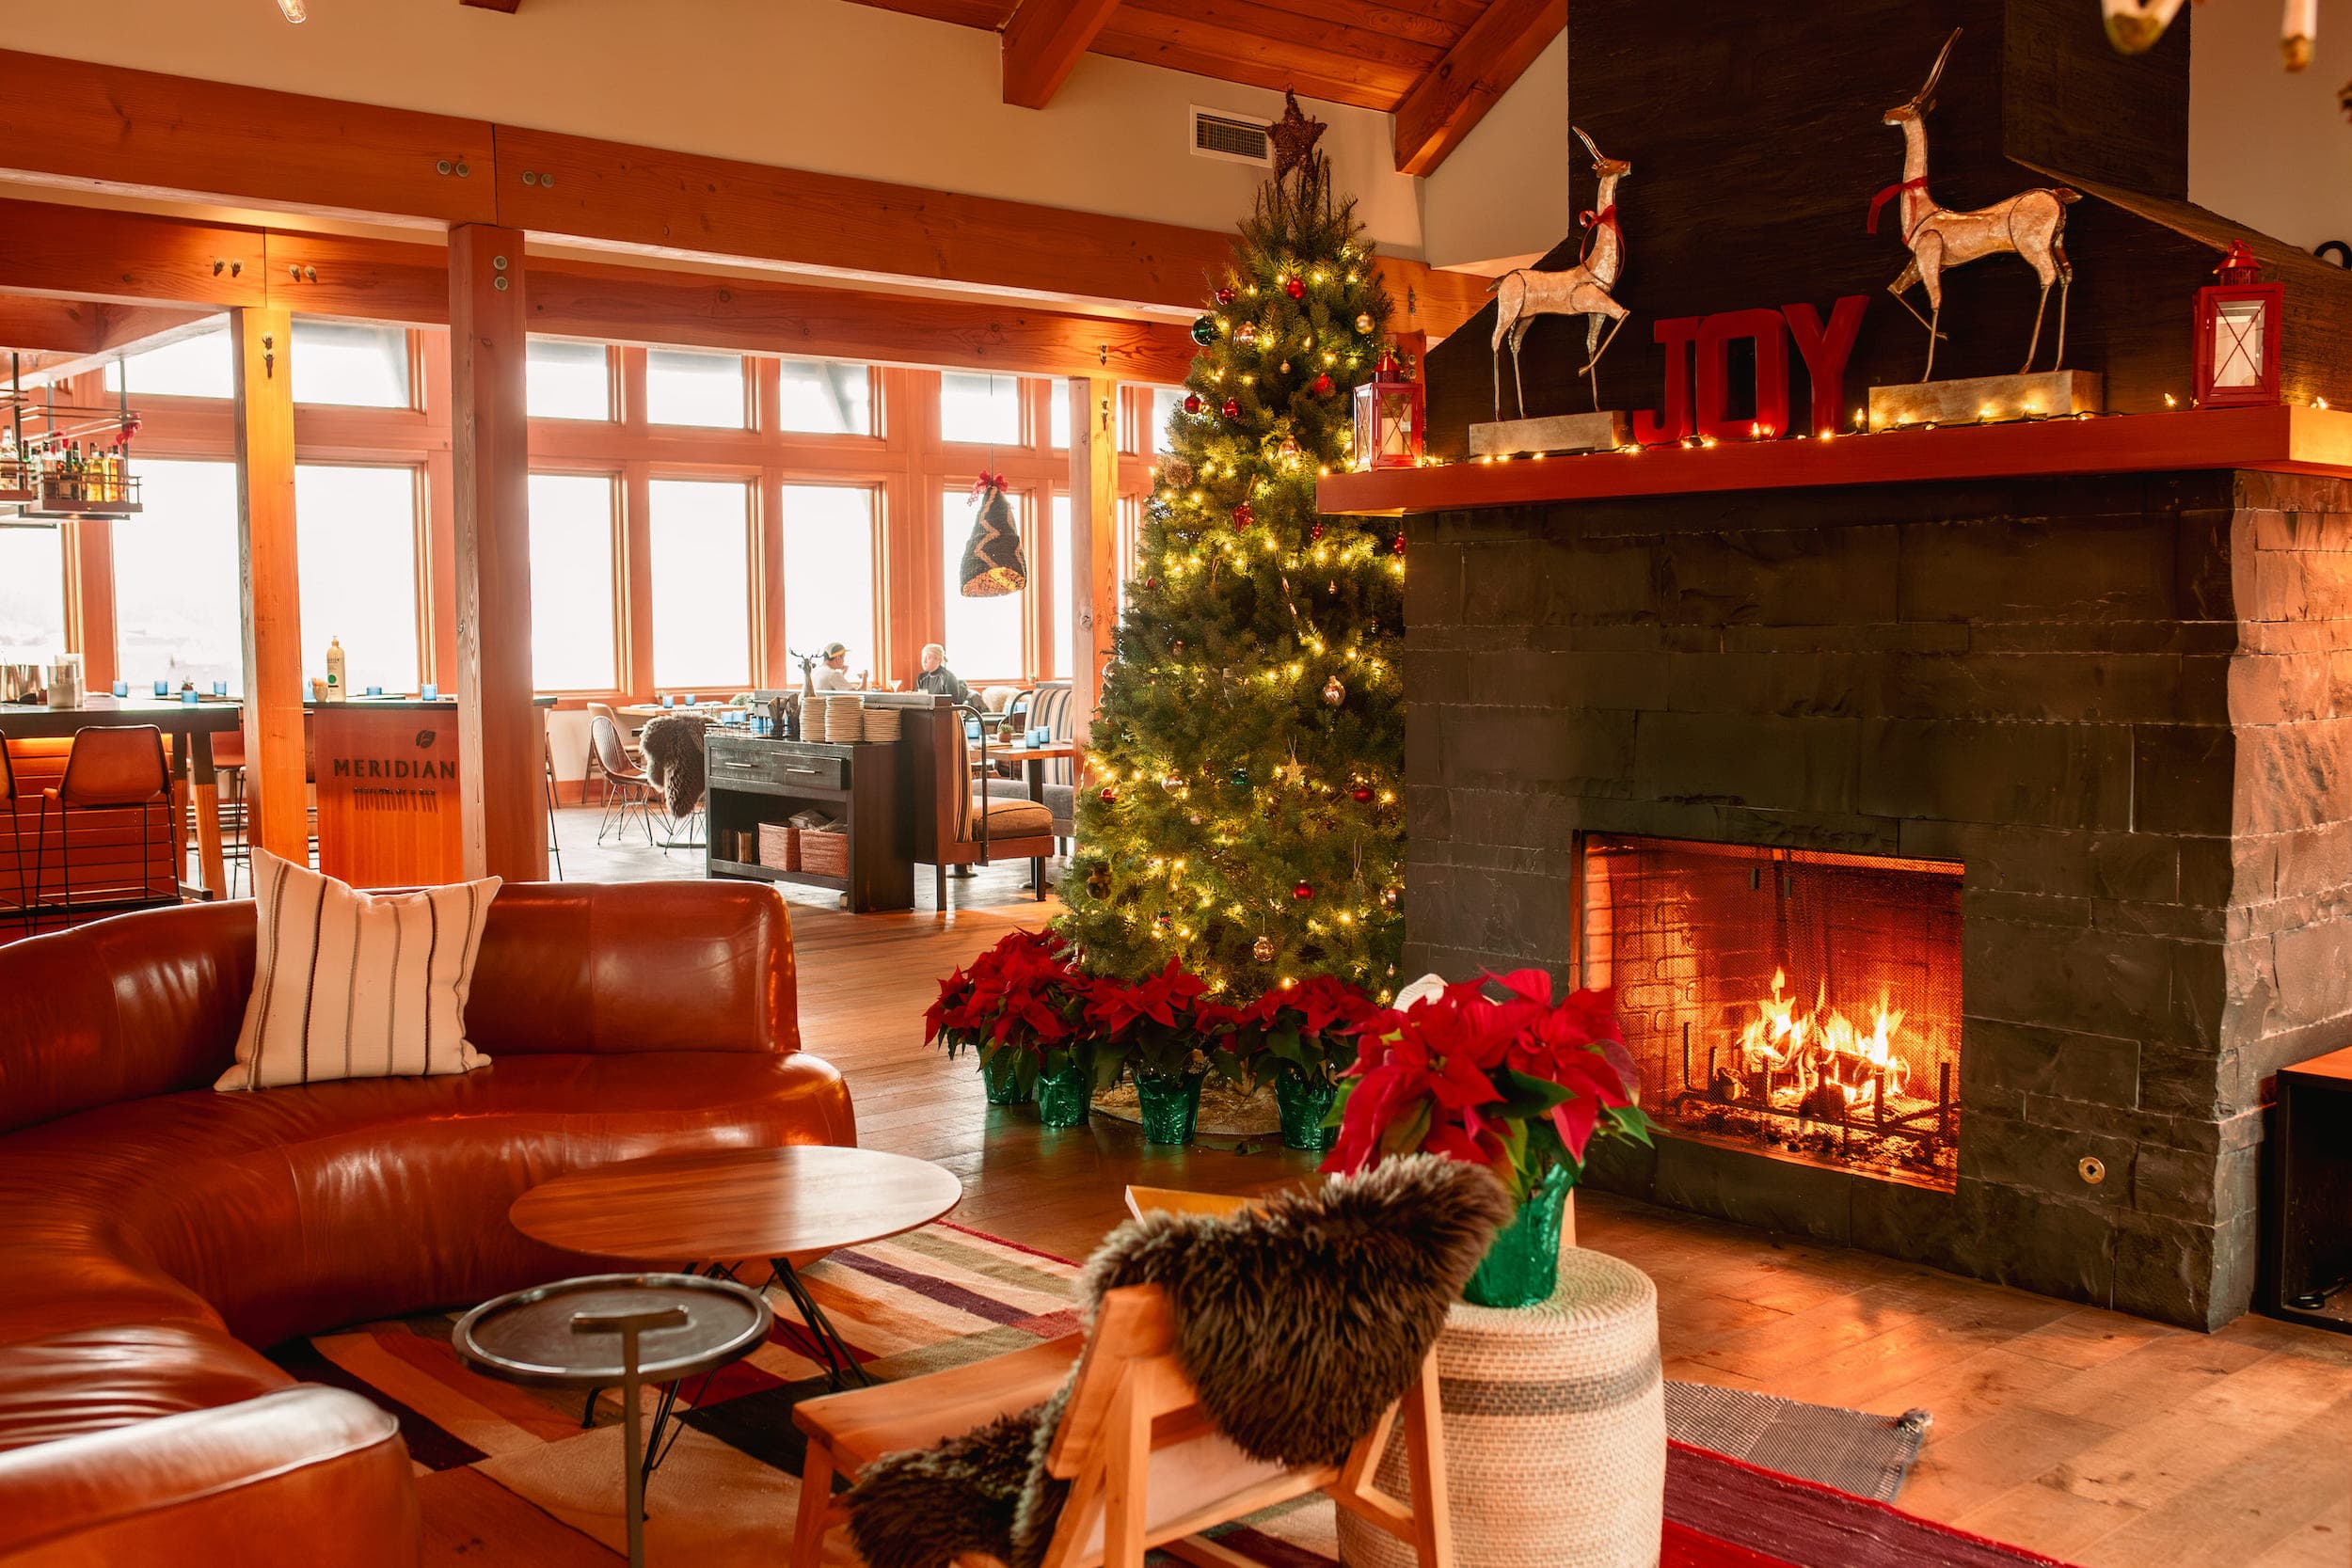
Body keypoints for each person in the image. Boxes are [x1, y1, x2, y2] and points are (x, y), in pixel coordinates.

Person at [913, 642, 973, 707]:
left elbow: (952, 704)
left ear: (938, 659)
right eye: (923, 658)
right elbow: (918, 701)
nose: (924, 661)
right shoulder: (921, 678)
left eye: (928, 658)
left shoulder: (948, 677)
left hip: (942, 714)